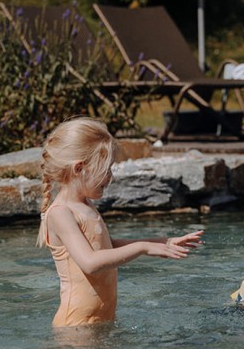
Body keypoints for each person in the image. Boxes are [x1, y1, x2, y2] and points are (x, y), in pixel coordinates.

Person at [36, 117, 203, 327]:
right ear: (79, 169)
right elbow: (91, 263)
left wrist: (161, 242)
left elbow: (107, 247)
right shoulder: (61, 213)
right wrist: (143, 248)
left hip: (100, 323)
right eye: (106, 169)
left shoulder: (86, 205)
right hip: (75, 326)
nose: (110, 177)